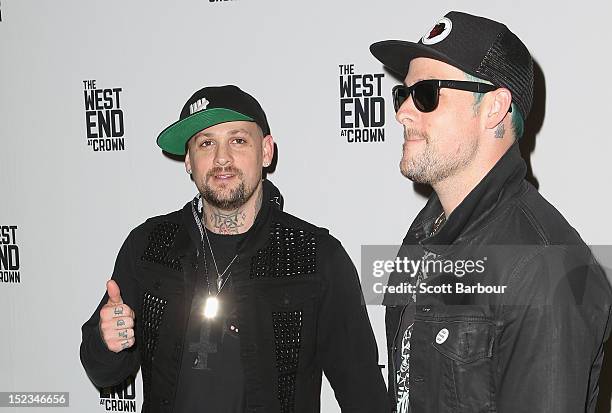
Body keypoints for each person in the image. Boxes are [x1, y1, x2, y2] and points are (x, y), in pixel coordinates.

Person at [80, 85, 389, 413]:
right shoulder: (149, 246)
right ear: (188, 160)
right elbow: (103, 370)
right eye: (206, 143)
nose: (221, 158)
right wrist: (107, 343)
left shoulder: (315, 256)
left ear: (266, 152)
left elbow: (363, 392)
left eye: (238, 140)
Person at [370, 11, 612, 413]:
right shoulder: (422, 237)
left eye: (427, 94)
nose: (402, 112)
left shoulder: (547, 269)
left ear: (495, 108)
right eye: (403, 94)